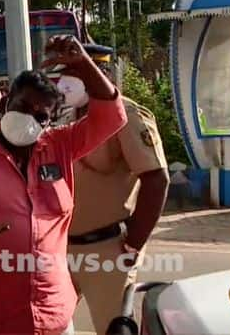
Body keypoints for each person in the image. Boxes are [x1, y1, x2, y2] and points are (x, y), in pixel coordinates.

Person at [0, 35, 128, 335]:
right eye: (23, 106)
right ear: (8, 100)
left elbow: (112, 117)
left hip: (56, 318)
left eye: (40, 116)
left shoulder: (60, 146)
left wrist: (84, 65)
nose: (28, 119)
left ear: (50, 121)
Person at [69, 44, 170, 335]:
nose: (68, 81)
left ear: (99, 73)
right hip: (63, 249)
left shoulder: (126, 114)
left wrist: (135, 242)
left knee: (114, 330)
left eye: (77, 71)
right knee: (46, 325)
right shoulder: (67, 118)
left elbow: (156, 178)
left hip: (108, 250)